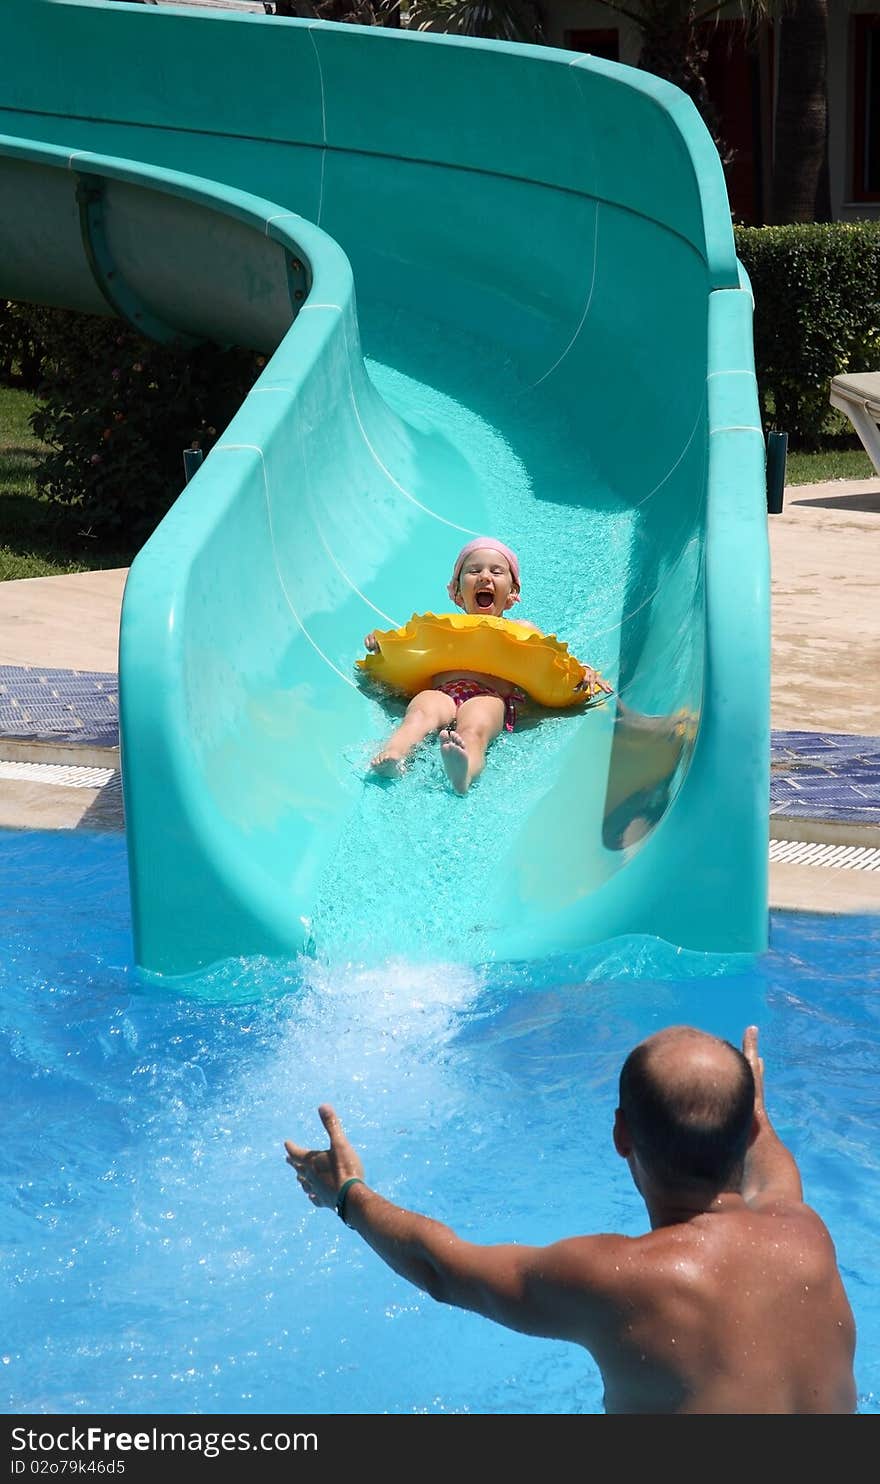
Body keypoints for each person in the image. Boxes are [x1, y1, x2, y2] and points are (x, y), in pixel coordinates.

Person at [284, 1024, 857, 1415]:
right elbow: (771, 1163)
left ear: (621, 1135)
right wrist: (750, 1103)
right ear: (753, 1130)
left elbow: (442, 1271)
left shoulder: (618, 1280)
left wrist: (348, 1193)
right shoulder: (804, 1233)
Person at [364, 537, 611, 794]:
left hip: (490, 696)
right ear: (457, 593)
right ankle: (394, 755)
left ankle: (464, 771)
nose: (484, 577)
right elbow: (407, 645)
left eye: (496, 571)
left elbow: (551, 661)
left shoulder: (522, 631)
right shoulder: (441, 627)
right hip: (443, 693)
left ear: (512, 593)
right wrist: (381, 643)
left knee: (475, 728)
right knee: (420, 712)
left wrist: (582, 670)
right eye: (473, 571)